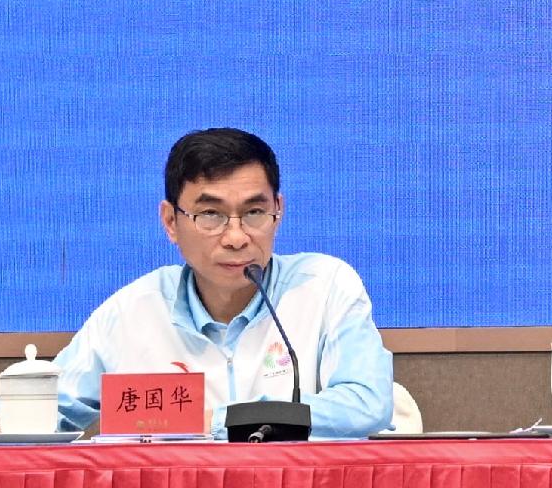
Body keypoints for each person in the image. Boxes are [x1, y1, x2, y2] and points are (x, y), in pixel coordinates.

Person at [52, 127, 393, 438]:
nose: (235, 237)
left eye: (254, 213)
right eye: (211, 215)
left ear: (278, 211)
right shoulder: (134, 309)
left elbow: (366, 402)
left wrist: (220, 420)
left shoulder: (324, 287)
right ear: (171, 222)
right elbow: (51, 403)